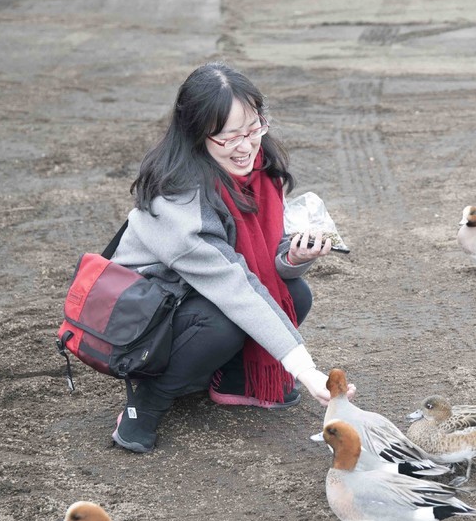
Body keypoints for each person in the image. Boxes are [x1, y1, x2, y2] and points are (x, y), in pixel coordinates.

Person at [107, 61, 346, 453]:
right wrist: (306, 370)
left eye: (254, 129)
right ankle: (147, 401)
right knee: (225, 322)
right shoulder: (178, 199)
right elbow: (234, 286)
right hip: (144, 323)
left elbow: (263, 259)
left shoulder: (259, 173)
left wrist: (295, 257)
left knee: (295, 292)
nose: (246, 145)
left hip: (195, 297)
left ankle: (235, 378)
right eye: (228, 136)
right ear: (196, 135)